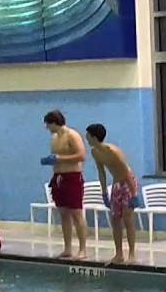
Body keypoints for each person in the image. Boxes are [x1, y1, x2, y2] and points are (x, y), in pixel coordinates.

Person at [86, 123, 139, 265]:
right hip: (116, 184)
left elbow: (126, 172)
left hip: (128, 183)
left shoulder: (112, 151)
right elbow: (101, 173)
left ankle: (132, 254)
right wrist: (104, 192)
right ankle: (119, 254)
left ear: (94, 137)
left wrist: (134, 194)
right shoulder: (95, 152)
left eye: (88, 135)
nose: (86, 138)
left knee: (127, 218)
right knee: (115, 219)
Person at [41, 110, 87, 259]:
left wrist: (59, 158)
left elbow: (81, 155)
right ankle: (67, 248)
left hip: (72, 177)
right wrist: (51, 161)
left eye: (48, 125)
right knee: (63, 214)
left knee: (76, 214)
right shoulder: (54, 138)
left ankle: (83, 249)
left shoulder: (72, 135)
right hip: (58, 178)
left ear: (54, 123)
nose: (47, 128)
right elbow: (57, 158)